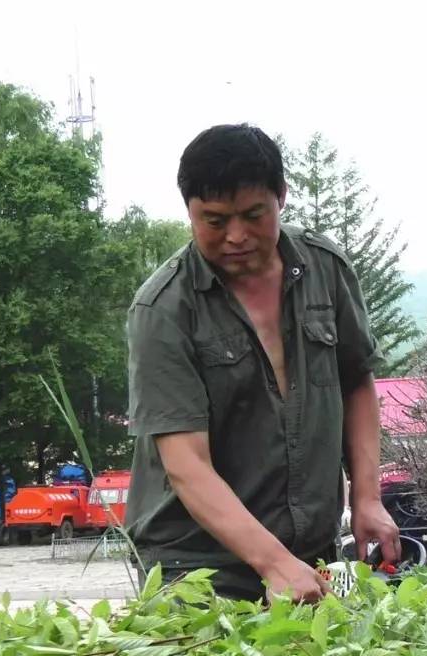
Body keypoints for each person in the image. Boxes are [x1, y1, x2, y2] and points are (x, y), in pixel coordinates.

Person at [124, 124, 400, 603]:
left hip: (314, 551)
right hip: (195, 566)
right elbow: (186, 463)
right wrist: (272, 563)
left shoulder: (325, 269)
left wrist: (367, 497)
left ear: (281, 197)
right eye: (214, 220)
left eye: (254, 215)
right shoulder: (163, 309)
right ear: (188, 210)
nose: (236, 236)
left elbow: (356, 381)